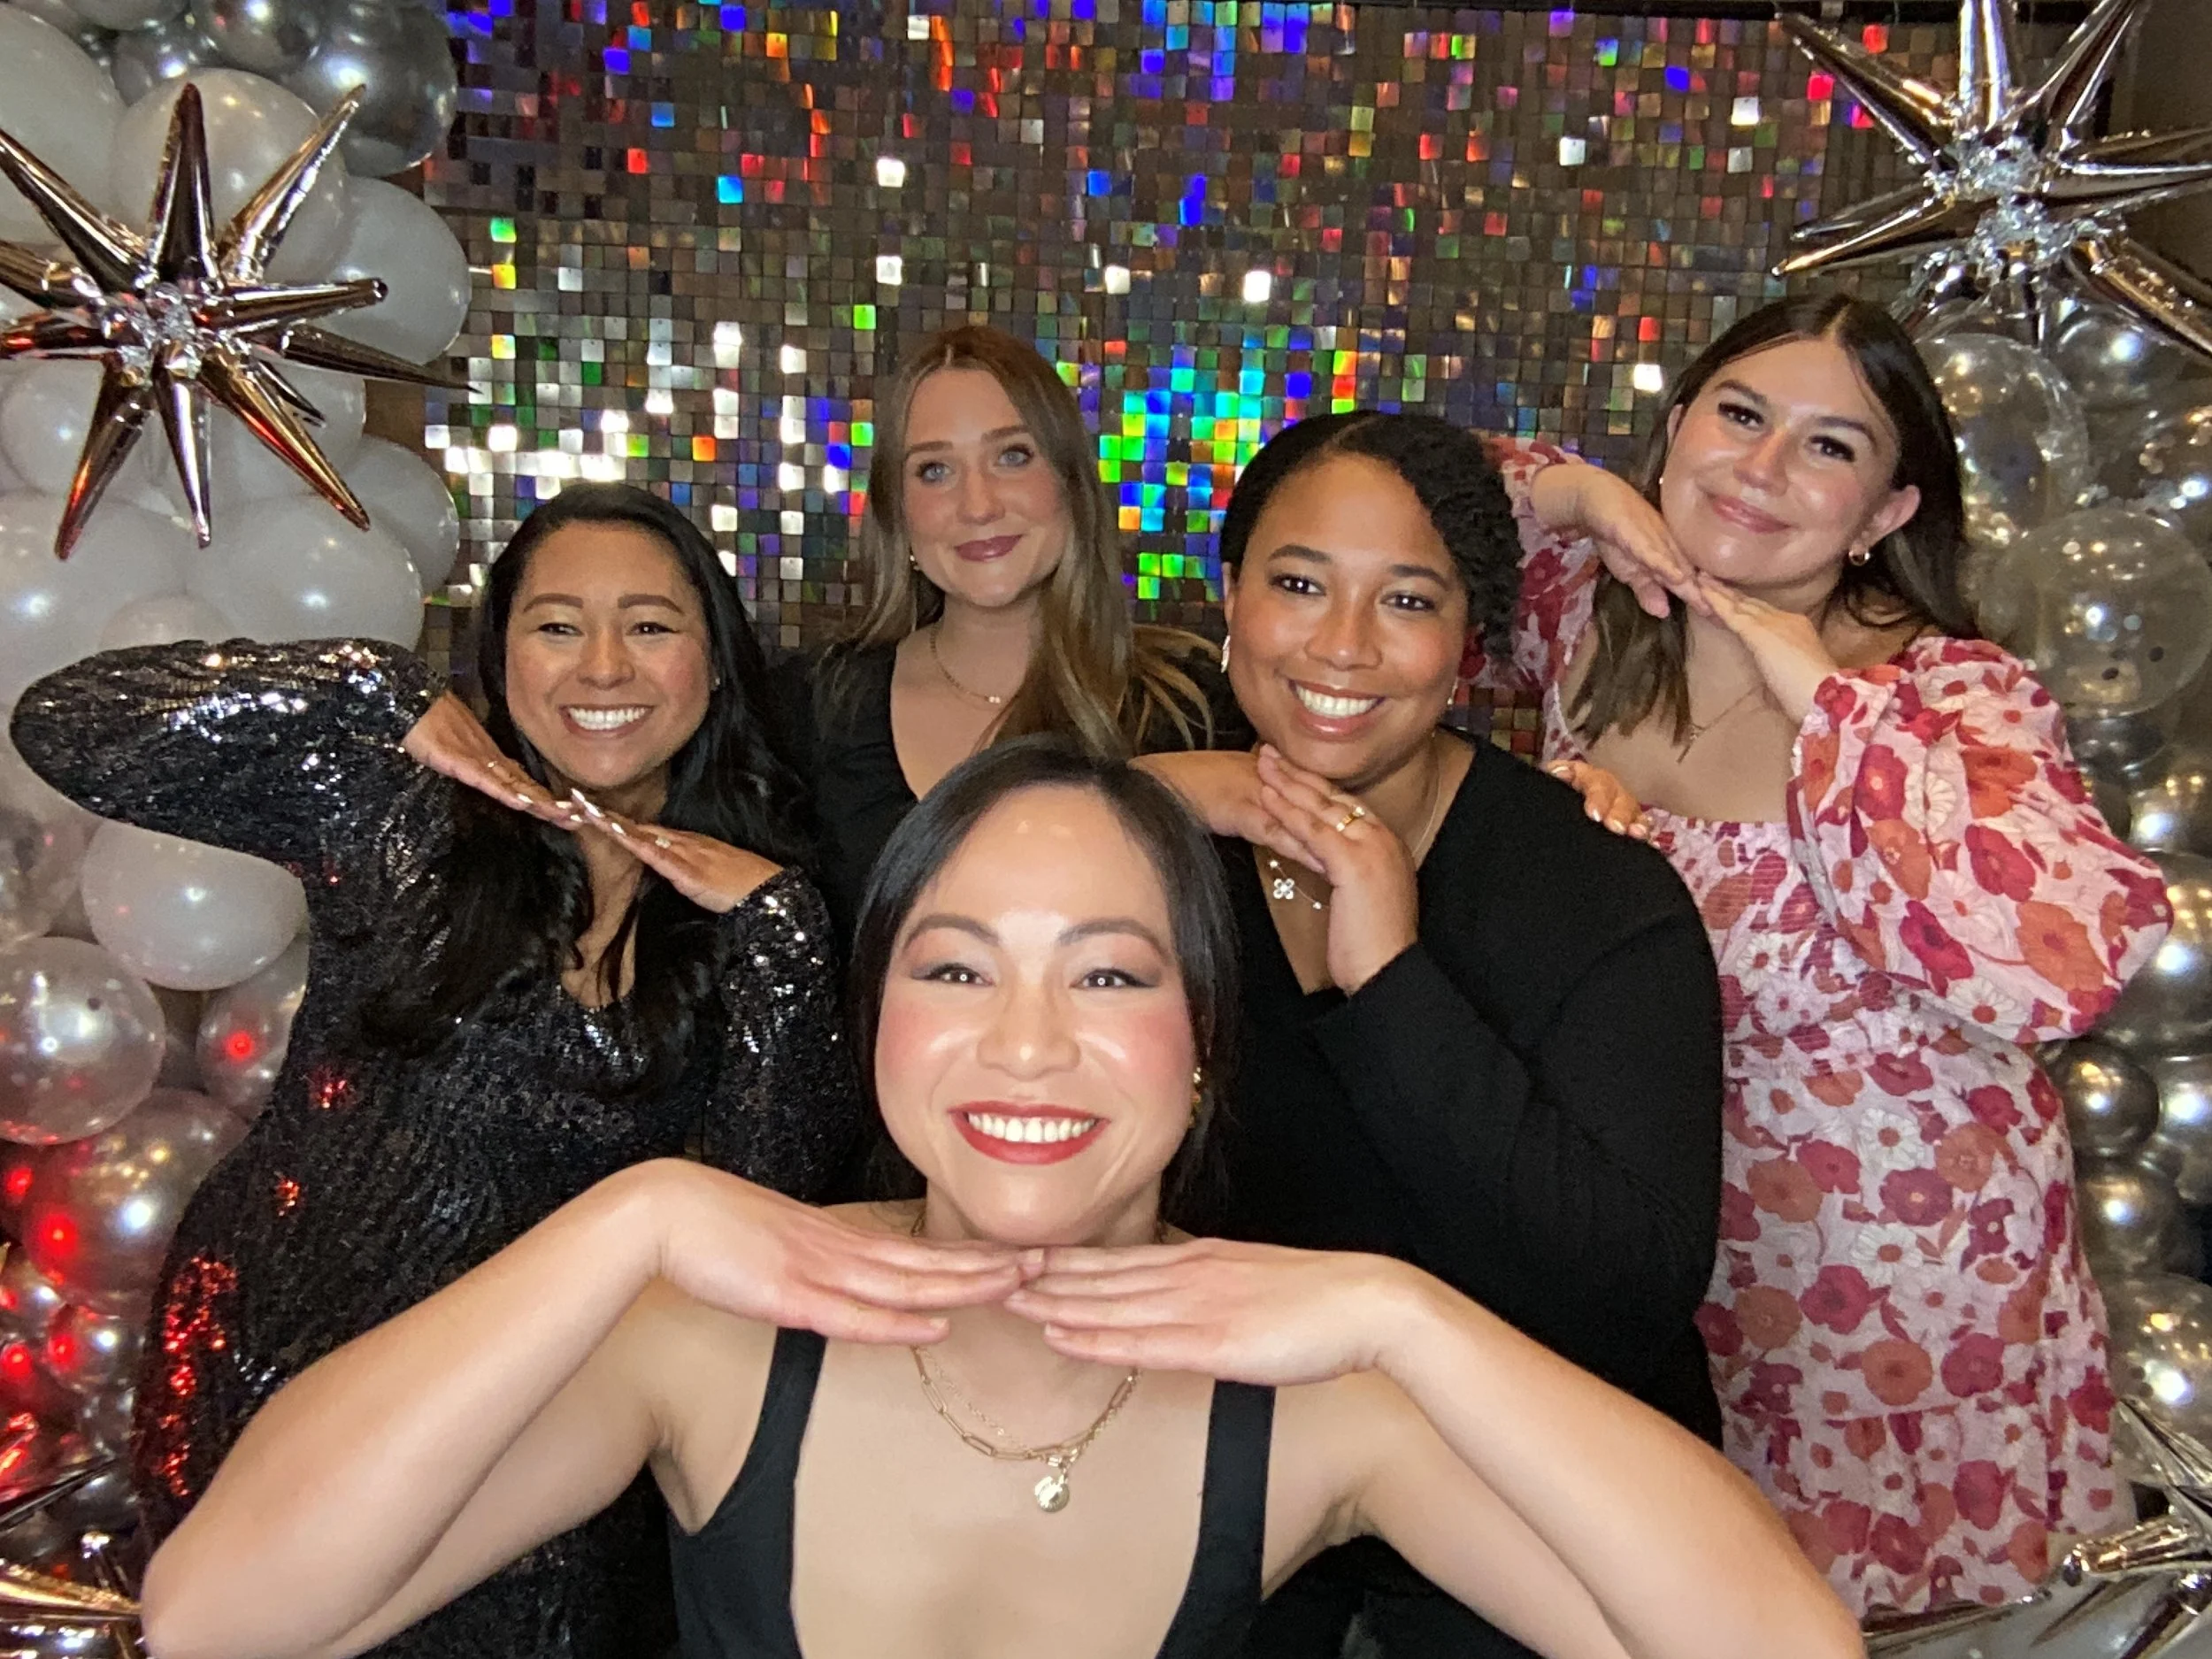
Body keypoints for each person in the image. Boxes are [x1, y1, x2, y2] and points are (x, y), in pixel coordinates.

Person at [134, 738, 1861, 1659]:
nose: (1024, 1046)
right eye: (955, 969)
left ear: (1200, 1041)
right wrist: (631, 1215)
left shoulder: (1316, 1390)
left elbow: (1778, 1641)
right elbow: (223, 1611)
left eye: (1108, 979)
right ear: (874, 1020)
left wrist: (1403, 1311)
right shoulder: (714, 1331)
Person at [10, 483, 861, 1659]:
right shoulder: (402, 812)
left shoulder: (754, 913)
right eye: (557, 625)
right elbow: (67, 724)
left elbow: (762, 1214)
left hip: (540, 1441)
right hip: (269, 1375)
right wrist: (372, 679)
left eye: (652, 625)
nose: (601, 665)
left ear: (715, 662)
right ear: (499, 656)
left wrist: (780, 929)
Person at [1469, 292, 2173, 1616]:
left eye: (1830, 447)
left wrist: (1819, 691)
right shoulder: (1592, 622)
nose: (1763, 468)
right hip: (1660, 1257)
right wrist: (1577, 498)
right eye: (1739, 415)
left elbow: (2062, 963)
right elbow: (1402, 502)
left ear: (1888, 515)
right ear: (1676, 429)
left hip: (1896, 1309)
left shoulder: (1956, 695)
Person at [1141, 411, 1728, 1659]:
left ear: (1468, 643)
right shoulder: (1141, 857)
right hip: (1238, 1507)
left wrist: (1390, 978)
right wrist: (1133, 792)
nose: (1343, 645)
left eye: (1406, 599)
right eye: (1299, 583)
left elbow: (1624, 1290)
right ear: (1229, 594)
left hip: (1536, 1522)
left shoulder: (1600, 888)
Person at [772, 323, 1234, 940]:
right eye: (934, 470)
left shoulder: (1191, 712)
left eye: (1012, 456)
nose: (979, 504)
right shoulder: (808, 710)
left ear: (1069, 483)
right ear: (898, 514)